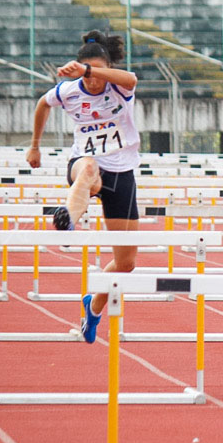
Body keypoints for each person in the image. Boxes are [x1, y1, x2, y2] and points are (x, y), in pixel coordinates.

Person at [26, 30, 140, 344]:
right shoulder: (68, 91)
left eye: (94, 74)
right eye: (85, 74)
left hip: (121, 173)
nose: (90, 82)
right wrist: (35, 146)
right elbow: (42, 104)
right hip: (85, 163)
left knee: (127, 262)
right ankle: (68, 217)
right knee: (88, 168)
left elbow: (131, 78)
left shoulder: (118, 86)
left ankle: (94, 304)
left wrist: (90, 71)